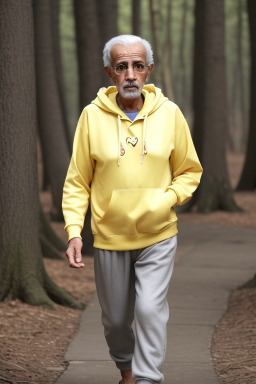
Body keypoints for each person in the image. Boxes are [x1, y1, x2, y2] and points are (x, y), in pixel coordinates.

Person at [62, 35, 203, 384]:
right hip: (110, 237)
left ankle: (146, 379)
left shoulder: (170, 114)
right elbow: (78, 182)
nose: (130, 74)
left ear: (148, 70)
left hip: (158, 234)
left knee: (150, 309)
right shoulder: (91, 117)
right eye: (122, 66)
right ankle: (126, 369)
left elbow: (190, 171)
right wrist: (74, 232)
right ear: (110, 72)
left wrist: (165, 200)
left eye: (138, 66)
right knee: (115, 321)